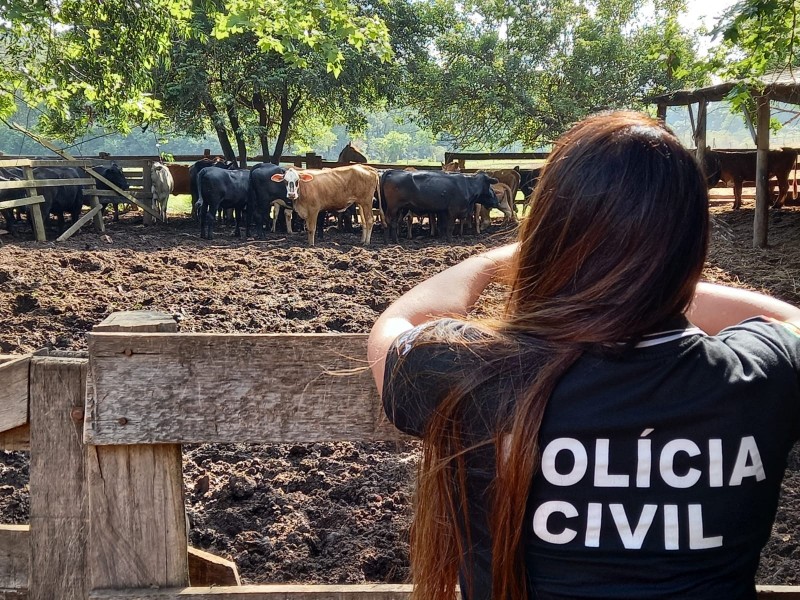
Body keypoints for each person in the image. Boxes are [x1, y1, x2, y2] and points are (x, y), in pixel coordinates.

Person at [367, 111, 800, 600]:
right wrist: (653, 278)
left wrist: (495, 261)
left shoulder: (474, 370)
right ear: (691, 242)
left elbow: (399, 326)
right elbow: (793, 320)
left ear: (549, 234)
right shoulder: (761, 375)